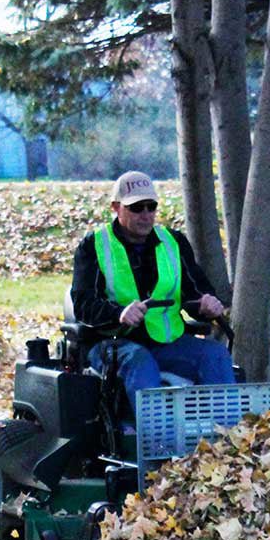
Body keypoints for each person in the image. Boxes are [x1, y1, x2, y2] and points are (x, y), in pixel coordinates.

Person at [70, 170, 235, 414]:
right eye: (137, 208)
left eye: (151, 207)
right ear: (116, 207)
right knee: (140, 361)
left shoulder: (173, 242)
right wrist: (119, 313)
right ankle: (157, 443)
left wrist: (205, 304)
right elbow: (83, 304)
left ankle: (224, 440)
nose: (146, 215)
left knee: (215, 355)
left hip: (166, 342)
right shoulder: (94, 246)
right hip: (112, 345)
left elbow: (195, 292)